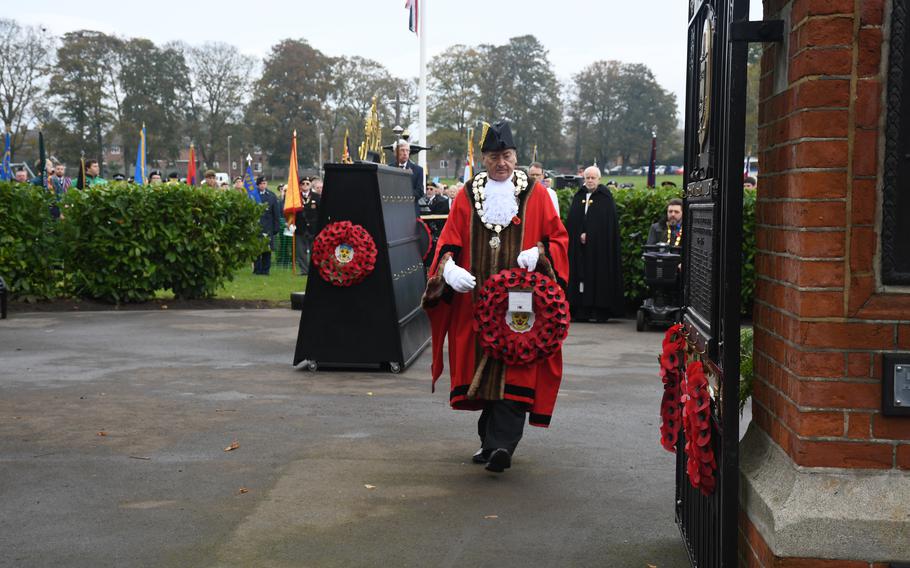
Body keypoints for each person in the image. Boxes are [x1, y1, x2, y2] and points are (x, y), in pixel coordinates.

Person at [422, 121, 569, 474]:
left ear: (515, 156)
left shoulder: (538, 194)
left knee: (517, 368)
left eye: (506, 155)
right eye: (493, 156)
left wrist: (540, 253)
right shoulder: (466, 194)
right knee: (482, 371)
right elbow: (449, 241)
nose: (501, 162)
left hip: (524, 308)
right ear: (483, 158)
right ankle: (490, 442)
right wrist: (449, 268)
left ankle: (502, 445)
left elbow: (558, 239)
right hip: (475, 304)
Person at [565, 165, 624, 322]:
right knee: (579, 275)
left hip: (599, 249)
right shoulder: (579, 196)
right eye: (587, 178)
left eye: (593, 178)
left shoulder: (605, 197)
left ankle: (599, 310)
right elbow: (573, 221)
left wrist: (591, 235)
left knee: (599, 275)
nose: (590, 181)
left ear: (599, 179)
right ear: (584, 179)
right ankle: (580, 309)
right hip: (580, 249)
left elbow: (607, 225)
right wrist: (579, 234)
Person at [291, 177, 320, 276]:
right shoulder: (296, 197)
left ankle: (313, 271)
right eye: (303, 183)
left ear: (310, 185)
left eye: (307, 183)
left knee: (314, 251)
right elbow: (291, 212)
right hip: (300, 228)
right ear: (300, 185)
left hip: (313, 228)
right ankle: (304, 270)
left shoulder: (316, 197)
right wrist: (291, 223)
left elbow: (320, 212)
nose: (305, 185)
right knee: (301, 251)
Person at [389, 138, 423, 215]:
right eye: (402, 150)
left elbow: (420, 192)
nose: (405, 153)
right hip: (393, 210)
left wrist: (404, 194)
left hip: (411, 211)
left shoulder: (418, 170)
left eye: (407, 150)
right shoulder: (389, 168)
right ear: (395, 152)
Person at [254, 177, 281, 275]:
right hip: (256, 227)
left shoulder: (271, 196)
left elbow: (276, 213)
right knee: (256, 250)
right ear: (257, 185)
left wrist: (276, 227)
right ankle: (257, 269)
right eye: (261, 183)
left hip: (268, 227)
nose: (263, 185)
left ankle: (266, 270)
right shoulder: (253, 195)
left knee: (267, 250)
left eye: (264, 183)